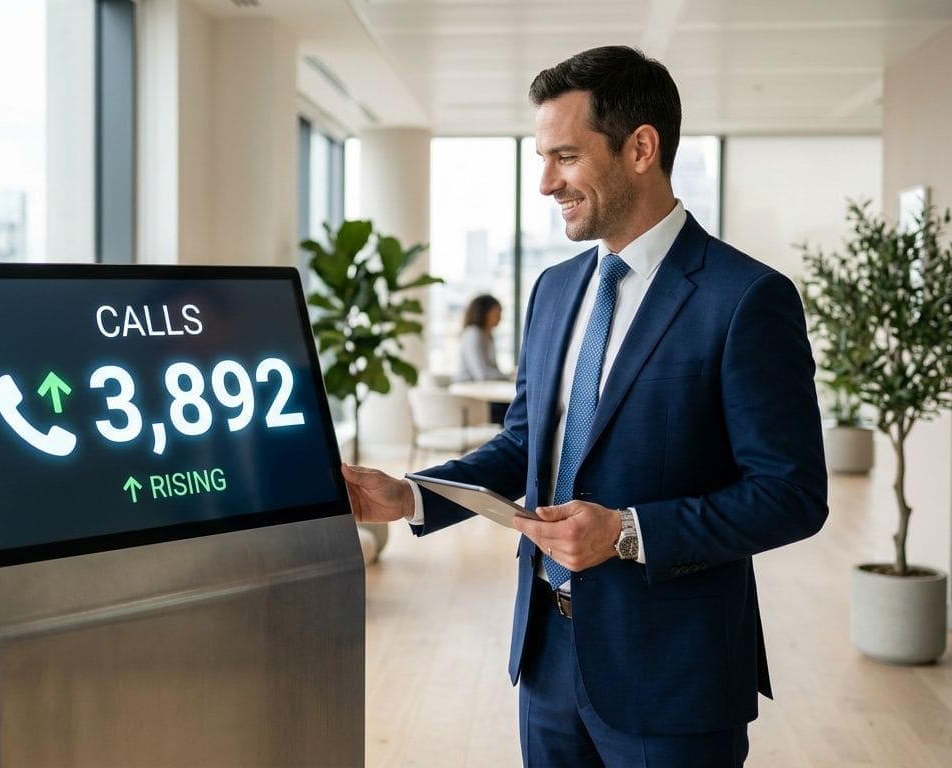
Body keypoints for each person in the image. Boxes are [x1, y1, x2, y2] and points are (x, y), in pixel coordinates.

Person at [342, 45, 827, 768]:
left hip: (673, 675)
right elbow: (523, 444)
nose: (546, 183)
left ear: (641, 148)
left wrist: (627, 533)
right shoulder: (554, 290)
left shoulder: (746, 298)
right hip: (548, 657)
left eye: (565, 157)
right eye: (542, 158)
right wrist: (412, 495)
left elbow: (792, 495)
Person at [455, 294, 510, 423]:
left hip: (483, 393)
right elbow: (481, 374)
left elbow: (493, 369)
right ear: (484, 313)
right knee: (513, 412)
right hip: (470, 397)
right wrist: (508, 377)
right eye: (497, 313)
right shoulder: (473, 333)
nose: (500, 318)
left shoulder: (488, 336)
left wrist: (507, 376)